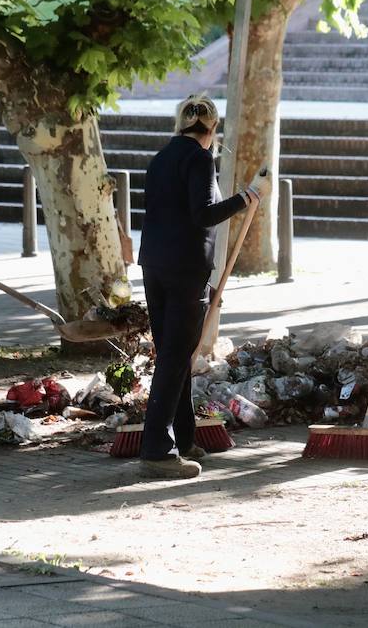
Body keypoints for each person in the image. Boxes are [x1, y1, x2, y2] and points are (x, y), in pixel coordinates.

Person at [137, 95, 260, 479]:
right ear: (212, 129)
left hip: (154, 266)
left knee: (176, 356)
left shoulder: (161, 158)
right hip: (184, 270)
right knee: (176, 358)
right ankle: (156, 448)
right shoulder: (199, 158)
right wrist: (245, 198)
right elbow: (204, 212)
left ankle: (184, 438)